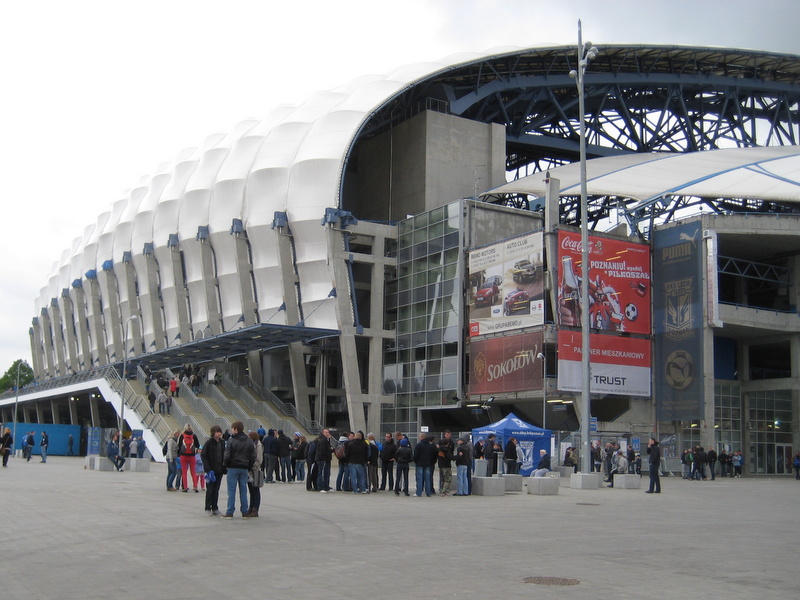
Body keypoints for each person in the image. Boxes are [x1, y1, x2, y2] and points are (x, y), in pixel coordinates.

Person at [222, 421, 254, 519]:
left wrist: (225, 465)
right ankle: (244, 511)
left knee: (231, 490)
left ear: (236, 429)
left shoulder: (231, 441)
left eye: (232, 428)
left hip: (233, 467)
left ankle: (230, 511)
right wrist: (249, 466)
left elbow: (227, 455)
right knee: (243, 490)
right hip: (244, 467)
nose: (231, 430)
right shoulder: (249, 441)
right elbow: (253, 456)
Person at [201, 425, 225, 514]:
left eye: (219, 432)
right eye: (217, 432)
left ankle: (215, 507)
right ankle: (207, 507)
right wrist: (207, 468)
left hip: (219, 470)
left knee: (216, 490)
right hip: (211, 470)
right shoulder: (209, 442)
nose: (219, 433)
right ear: (213, 433)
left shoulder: (222, 443)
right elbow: (203, 455)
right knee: (210, 489)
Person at [246, 432, 264, 517]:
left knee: (255, 490)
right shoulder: (251, 445)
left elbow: (259, 459)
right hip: (249, 471)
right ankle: (251, 506)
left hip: (255, 470)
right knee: (251, 490)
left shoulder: (258, 445)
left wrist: (253, 466)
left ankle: (255, 508)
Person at [178, 425, 201, 493]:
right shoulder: (194, 436)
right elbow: (198, 445)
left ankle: (185, 487)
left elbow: (179, 445)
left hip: (183, 456)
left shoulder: (182, 436)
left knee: (184, 472)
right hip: (192, 456)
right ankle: (195, 486)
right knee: (193, 472)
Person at [413, 432, 436, 497]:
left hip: (420, 464)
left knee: (419, 478)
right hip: (428, 464)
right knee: (427, 479)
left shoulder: (419, 445)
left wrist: (416, 461)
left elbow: (416, 455)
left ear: (422, 437)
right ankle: (428, 493)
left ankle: (419, 492)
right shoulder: (430, 445)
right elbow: (433, 454)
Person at [315, 428, 334, 493]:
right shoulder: (322, 440)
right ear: (323, 433)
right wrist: (323, 459)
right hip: (323, 460)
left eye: (328, 432)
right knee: (322, 473)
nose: (328, 434)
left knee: (327, 473)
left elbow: (328, 449)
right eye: (326, 432)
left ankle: (326, 486)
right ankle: (320, 487)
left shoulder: (326, 440)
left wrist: (331, 449)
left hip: (327, 459)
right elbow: (322, 451)